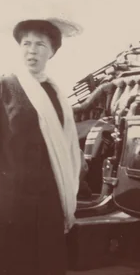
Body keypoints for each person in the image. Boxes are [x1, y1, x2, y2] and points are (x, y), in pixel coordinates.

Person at [0, 17, 86, 275]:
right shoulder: (6, 87)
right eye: (26, 43)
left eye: (40, 44)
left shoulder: (56, 94)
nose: (32, 50)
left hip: (49, 202)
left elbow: (65, 146)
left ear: (52, 51)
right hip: (12, 204)